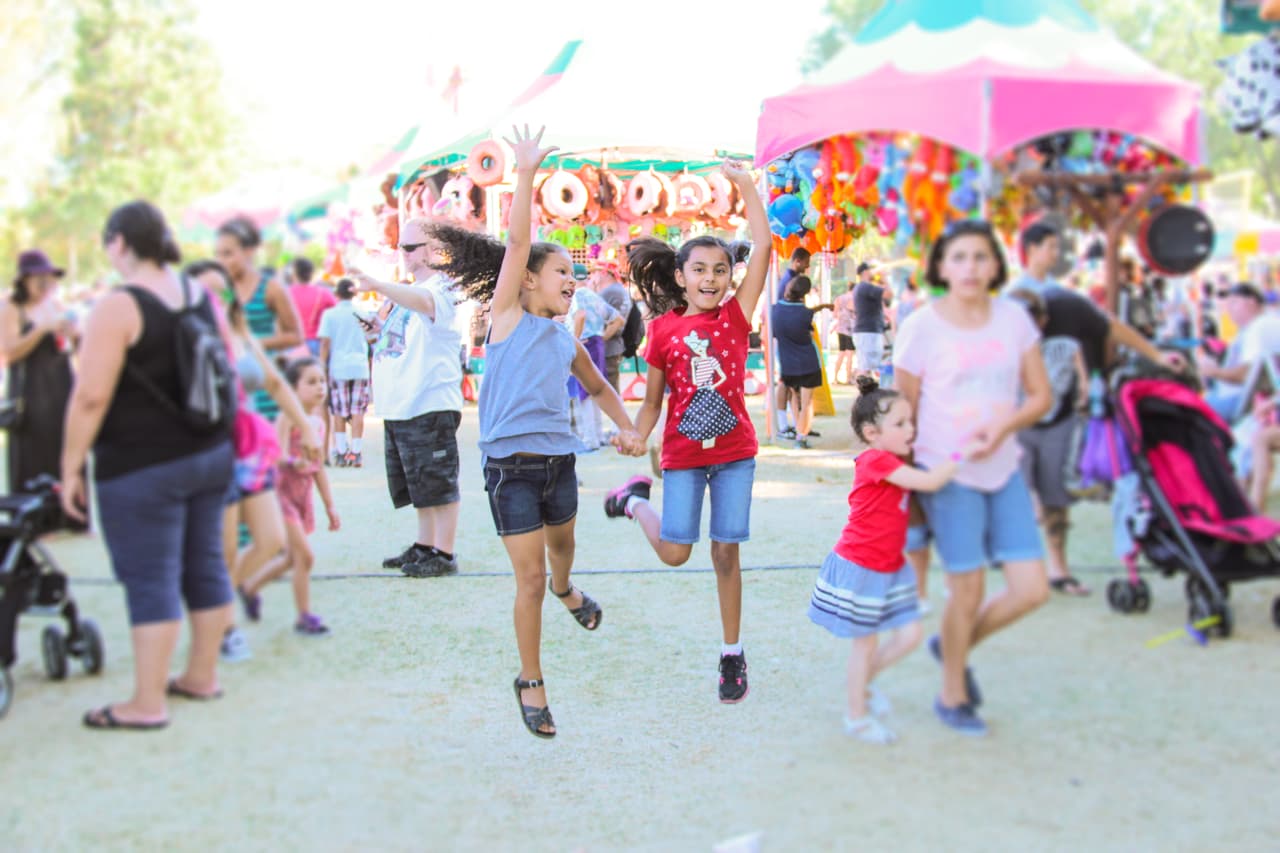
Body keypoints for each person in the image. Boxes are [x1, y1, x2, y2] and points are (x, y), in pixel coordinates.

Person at [427, 126, 644, 739]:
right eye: (559, 272)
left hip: (559, 465)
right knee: (527, 580)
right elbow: (518, 239)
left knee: (562, 556)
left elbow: (600, 388)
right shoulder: (506, 318)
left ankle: (568, 589)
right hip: (510, 472)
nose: (570, 279)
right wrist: (524, 173)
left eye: (572, 274)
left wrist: (628, 429)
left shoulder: (564, 336)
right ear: (526, 280)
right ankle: (531, 680)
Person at [603, 155, 771, 705]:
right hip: (681, 456)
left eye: (720, 271)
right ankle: (634, 503)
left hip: (735, 454)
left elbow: (764, 249)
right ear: (680, 277)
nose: (711, 279)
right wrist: (635, 432)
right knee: (676, 553)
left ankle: (732, 653)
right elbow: (652, 403)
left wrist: (744, 184)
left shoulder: (736, 318)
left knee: (726, 554)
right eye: (699, 270)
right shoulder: (664, 332)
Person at [60, 201, 234, 729]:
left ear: (119, 242)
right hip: (209, 452)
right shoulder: (197, 293)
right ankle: (202, 676)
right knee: (205, 563)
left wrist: (70, 468)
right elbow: (224, 363)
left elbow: (90, 396)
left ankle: (146, 703)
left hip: (142, 465)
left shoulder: (119, 305)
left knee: (149, 577)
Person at [893, 220, 1052, 736]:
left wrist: (1002, 426)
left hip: (1004, 469)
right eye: (958, 257)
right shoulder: (921, 327)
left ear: (996, 265)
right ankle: (952, 694)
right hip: (946, 474)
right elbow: (904, 415)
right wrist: (907, 489)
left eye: (981, 257)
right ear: (941, 266)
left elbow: (1040, 396)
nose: (970, 267)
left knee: (1031, 589)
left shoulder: (1015, 319)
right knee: (966, 591)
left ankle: (952, 648)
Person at [808, 376, 980, 743]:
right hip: (862, 566)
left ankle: (862, 684)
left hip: (888, 566)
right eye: (900, 424)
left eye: (910, 422)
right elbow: (931, 482)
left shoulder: (890, 458)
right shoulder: (875, 461)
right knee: (865, 643)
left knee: (911, 634)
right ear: (872, 432)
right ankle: (856, 714)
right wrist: (960, 454)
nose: (910, 430)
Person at [185, 260, 319, 663]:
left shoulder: (238, 330)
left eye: (221, 289)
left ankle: (220, 606)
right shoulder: (186, 338)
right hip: (211, 448)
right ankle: (222, 627)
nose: (216, 298)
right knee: (224, 549)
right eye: (205, 291)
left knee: (271, 541)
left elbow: (275, 383)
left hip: (249, 448)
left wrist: (307, 429)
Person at [349, 218, 465, 579]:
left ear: (433, 250)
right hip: (404, 403)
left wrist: (378, 285)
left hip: (428, 401)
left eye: (409, 247)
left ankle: (443, 553)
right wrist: (374, 332)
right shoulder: (407, 293)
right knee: (419, 483)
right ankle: (425, 544)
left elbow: (426, 304)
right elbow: (397, 341)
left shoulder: (444, 288)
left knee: (438, 481)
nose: (403, 253)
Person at [238, 357, 339, 635]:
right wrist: (296, 463)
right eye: (311, 381)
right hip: (280, 495)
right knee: (304, 557)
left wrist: (330, 506)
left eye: (322, 381)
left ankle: (248, 587)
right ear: (293, 389)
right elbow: (278, 457)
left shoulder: (318, 424)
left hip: (301, 497)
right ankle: (304, 616)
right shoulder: (287, 417)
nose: (320, 387)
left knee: (289, 558)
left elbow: (319, 470)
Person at [1008, 288, 1091, 596]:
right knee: (1023, 501)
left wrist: (1085, 399)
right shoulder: (1002, 349)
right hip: (1018, 427)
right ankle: (1022, 572)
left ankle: (1059, 569)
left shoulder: (1066, 347)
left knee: (1055, 501)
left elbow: (1084, 386)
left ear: (1043, 320)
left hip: (1058, 426)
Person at [2, 250, 78, 495]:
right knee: (33, 454)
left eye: (50, 279)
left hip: (60, 388)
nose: (46, 285)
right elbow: (8, 352)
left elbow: (72, 346)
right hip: (31, 393)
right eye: (40, 279)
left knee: (63, 448)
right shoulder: (13, 308)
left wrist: (73, 334)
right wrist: (40, 330)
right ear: (24, 280)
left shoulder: (56, 304)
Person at [215, 217, 302, 419]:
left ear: (249, 251)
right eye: (218, 254)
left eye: (228, 253)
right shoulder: (217, 288)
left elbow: (295, 335)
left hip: (265, 385)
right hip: (227, 386)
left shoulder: (271, 288)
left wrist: (250, 344)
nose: (221, 261)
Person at [1198, 283, 1280, 423]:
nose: (1229, 309)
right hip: (1239, 399)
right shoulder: (1254, 327)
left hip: (1241, 402)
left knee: (1184, 412)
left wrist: (1214, 371)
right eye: (1228, 304)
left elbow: (1247, 373)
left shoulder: (1260, 326)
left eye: (1234, 302)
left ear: (1252, 302)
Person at [565, 263, 623, 451]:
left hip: (583, 343)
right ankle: (597, 435)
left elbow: (579, 316)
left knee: (584, 392)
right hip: (596, 343)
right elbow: (618, 319)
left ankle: (590, 438)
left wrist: (575, 339)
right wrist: (602, 337)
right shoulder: (593, 296)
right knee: (597, 389)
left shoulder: (577, 296)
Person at [770, 275, 832, 449]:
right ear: (805, 293)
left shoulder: (775, 310)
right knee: (807, 402)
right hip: (808, 362)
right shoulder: (806, 314)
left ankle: (799, 432)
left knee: (794, 399)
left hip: (788, 363)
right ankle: (801, 435)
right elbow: (808, 317)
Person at [317, 278, 371, 467]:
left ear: (337, 294)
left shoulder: (330, 315)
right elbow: (371, 337)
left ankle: (341, 452)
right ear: (354, 293)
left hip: (338, 367)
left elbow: (325, 343)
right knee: (358, 411)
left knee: (338, 410)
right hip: (359, 366)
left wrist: (321, 365)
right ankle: (356, 452)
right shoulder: (362, 312)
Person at [594, 261, 633, 393]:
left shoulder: (609, 292)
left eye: (596, 272)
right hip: (615, 346)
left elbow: (615, 321)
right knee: (612, 387)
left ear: (604, 274)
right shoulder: (620, 290)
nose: (593, 276)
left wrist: (600, 340)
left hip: (607, 347)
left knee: (607, 390)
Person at [286, 257, 336, 357]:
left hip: (292, 344)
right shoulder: (323, 293)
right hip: (316, 344)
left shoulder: (285, 293)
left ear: (294, 273)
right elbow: (335, 314)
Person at [852, 263, 887, 382]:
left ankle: (865, 396)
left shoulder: (862, 288)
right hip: (868, 332)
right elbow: (888, 293)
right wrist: (884, 279)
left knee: (866, 367)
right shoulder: (865, 287)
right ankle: (863, 397)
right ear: (865, 272)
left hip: (868, 331)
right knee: (865, 368)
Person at [1010, 222, 1060, 294]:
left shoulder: (1056, 288)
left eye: (1057, 247)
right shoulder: (1016, 290)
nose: (1056, 253)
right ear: (1032, 249)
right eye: (1051, 247)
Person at [831, 278, 857, 386]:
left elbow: (834, 314)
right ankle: (848, 378)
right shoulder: (854, 299)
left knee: (841, 353)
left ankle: (835, 377)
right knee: (850, 354)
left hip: (840, 328)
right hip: (850, 328)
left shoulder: (839, 298)